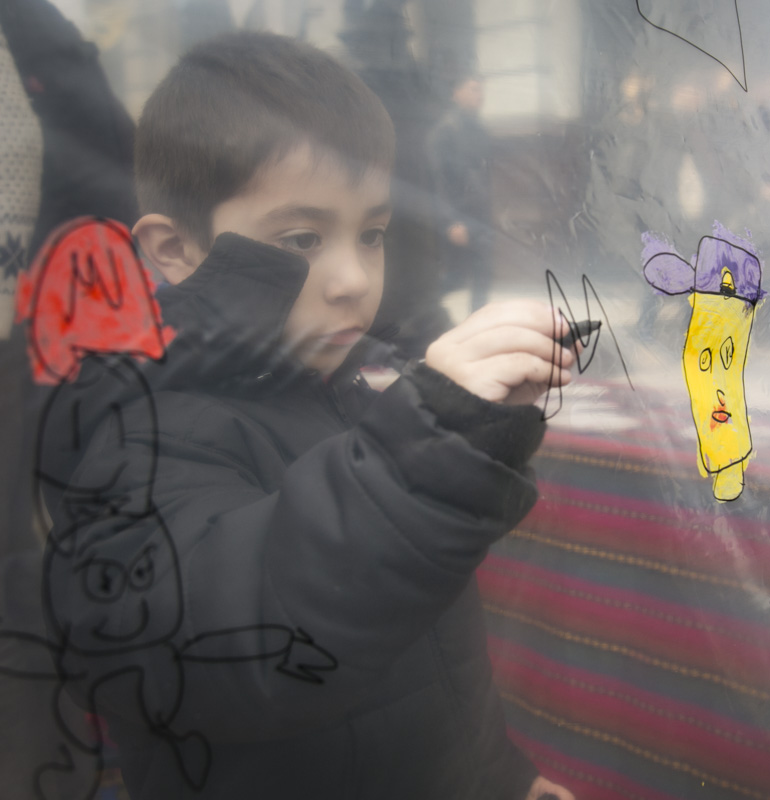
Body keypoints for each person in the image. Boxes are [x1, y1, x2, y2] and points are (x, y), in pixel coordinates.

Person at [38, 31, 576, 800]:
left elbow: (434, 659)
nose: (353, 278)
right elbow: (233, 642)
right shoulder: (137, 438)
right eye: (301, 237)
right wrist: (423, 449)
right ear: (175, 249)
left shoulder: (355, 400)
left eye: (372, 234)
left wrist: (500, 777)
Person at [428, 72, 495, 313]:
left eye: (481, 89)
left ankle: (479, 321)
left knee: (482, 274)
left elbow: (482, 175)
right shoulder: (446, 131)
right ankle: (422, 310)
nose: (480, 95)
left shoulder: (479, 129)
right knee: (454, 277)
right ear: (456, 93)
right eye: (473, 89)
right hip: (457, 215)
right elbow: (439, 180)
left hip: (479, 214)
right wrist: (450, 221)